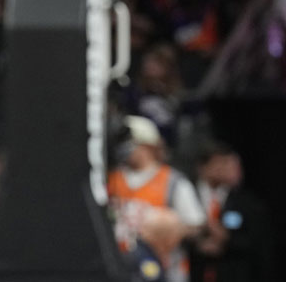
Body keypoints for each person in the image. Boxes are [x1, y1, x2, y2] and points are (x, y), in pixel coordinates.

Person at [108, 116, 204, 282]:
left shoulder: (173, 181)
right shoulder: (112, 179)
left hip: (163, 268)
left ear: (148, 145)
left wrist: (168, 226)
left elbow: (196, 225)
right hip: (121, 265)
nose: (125, 148)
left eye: (130, 142)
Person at [189, 141, 276, 282]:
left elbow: (259, 243)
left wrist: (227, 240)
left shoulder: (246, 202)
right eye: (219, 163)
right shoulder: (186, 194)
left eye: (227, 163)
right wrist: (198, 244)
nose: (225, 168)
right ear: (202, 167)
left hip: (232, 273)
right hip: (193, 272)